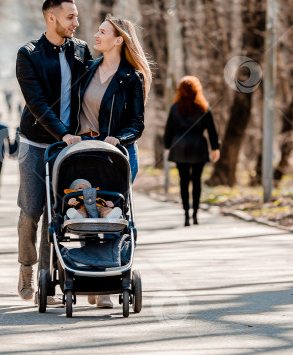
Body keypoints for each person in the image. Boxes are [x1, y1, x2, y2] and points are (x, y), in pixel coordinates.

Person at [15, 0, 93, 305]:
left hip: (70, 147)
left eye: (76, 16)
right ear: (52, 18)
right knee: (31, 211)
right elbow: (37, 104)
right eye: (70, 17)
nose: (77, 22)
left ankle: (48, 279)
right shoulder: (29, 53)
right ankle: (27, 268)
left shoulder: (82, 51)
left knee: (58, 213)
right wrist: (63, 133)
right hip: (35, 143)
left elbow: (93, 92)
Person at [73, 15, 150, 308]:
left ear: (118, 40)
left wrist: (119, 138)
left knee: (109, 213)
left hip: (117, 154)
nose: (96, 34)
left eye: (103, 32)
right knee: (86, 210)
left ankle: (104, 282)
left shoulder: (132, 77)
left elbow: (137, 123)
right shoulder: (88, 69)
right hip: (84, 152)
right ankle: (91, 277)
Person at [164, 76, 221, 227]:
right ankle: (195, 214)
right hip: (199, 147)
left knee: (183, 181)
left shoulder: (175, 108)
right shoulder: (203, 107)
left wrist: (167, 147)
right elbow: (212, 130)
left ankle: (186, 215)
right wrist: (215, 148)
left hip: (179, 146)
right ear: (197, 89)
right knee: (196, 181)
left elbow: (168, 129)